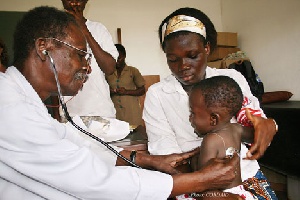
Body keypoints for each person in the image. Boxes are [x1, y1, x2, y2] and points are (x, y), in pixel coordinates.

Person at [0, 6, 240, 200]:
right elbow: (94, 181)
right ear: (44, 48)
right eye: (81, 55)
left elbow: (80, 146)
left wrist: (145, 159)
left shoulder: (23, 101)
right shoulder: (10, 107)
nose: (88, 66)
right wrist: (200, 180)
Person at [143, 7, 278, 198]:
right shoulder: (158, 95)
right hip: (193, 182)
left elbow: (256, 124)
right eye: (173, 59)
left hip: (244, 176)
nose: (183, 67)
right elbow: (168, 158)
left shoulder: (231, 79)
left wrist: (267, 125)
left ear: (206, 48)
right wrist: (205, 188)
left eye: (192, 56)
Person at [189, 76, 277, 199]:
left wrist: (193, 162)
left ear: (213, 119)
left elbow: (205, 182)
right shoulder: (236, 129)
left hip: (223, 196)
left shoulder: (210, 141)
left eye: (192, 113)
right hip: (242, 192)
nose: (190, 118)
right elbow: (255, 137)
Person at [59, 0, 119, 122]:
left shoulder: (99, 29)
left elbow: (109, 68)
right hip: (68, 114)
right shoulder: (54, 30)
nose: (75, 3)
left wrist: (83, 28)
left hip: (100, 111)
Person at [106, 44, 145, 126]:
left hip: (131, 112)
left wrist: (126, 91)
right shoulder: (108, 73)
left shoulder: (133, 71)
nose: (116, 61)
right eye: (114, 58)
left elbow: (142, 90)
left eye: (119, 58)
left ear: (124, 56)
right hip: (115, 112)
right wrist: (110, 91)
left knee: (135, 135)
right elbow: (102, 92)